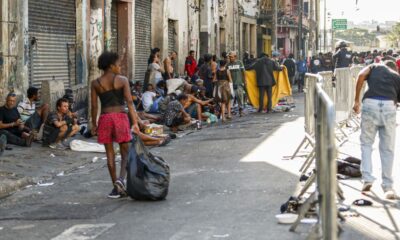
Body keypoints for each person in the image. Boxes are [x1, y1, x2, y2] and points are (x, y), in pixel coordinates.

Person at [91, 51, 140, 199]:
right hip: (120, 117)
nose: (120, 68)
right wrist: (135, 122)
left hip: (105, 118)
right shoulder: (123, 80)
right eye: (118, 65)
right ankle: (121, 179)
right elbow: (130, 102)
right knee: (125, 151)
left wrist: (94, 124)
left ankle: (116, 188)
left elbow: (94, 106)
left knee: (109, 154)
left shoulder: (95, 83)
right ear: (111, 66)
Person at [352, 60, 400, 200]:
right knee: (387, 149)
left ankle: (367, 179)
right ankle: (387, 186)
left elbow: (361, 76)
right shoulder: (396, 76)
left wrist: (356, 100)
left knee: (366, 144)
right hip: (388, 106)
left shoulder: (375, 66)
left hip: (370, 104)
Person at [227, 51, 246, 117]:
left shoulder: (240, 63)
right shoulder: (228, 65)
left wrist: (245, 81)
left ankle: (241, 111)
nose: (230, 58)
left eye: (231, 57)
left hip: (239, 83)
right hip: (231, 84)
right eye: (229, 57)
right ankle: (230, 112)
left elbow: (244, 72)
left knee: (240, 97)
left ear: (235, 57)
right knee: (231, 98)